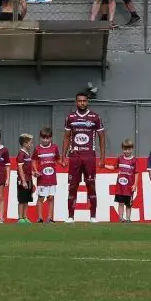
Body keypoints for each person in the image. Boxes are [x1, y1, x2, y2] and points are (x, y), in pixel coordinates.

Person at [63, 91, 105, 223]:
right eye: (79, 101)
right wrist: (63, 156)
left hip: (89, 156)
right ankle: (70, 216)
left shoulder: (95, 117)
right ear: (76, 102)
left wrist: (103, 157)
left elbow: (102, 138)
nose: (82, 103)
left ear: (87, 102)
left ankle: (93, 216)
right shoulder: (70, 117)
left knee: (91, 185)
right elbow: (66, 137)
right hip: (74, 156)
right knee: (72, 186)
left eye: (84, 101)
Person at [31, 127, 60, 223]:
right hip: (42, 178)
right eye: (43, 138)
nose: (45, 140)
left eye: (47, 138)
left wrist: (63, 163)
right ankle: (39, 218)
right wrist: (35, 170)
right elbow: (34, 160)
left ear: (51, 138)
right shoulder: (37, 149)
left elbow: (58, 159)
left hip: (52, 177)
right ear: (40, 138)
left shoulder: (54, 147)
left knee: (51, 197)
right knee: (41, 198)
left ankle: (50, 218)